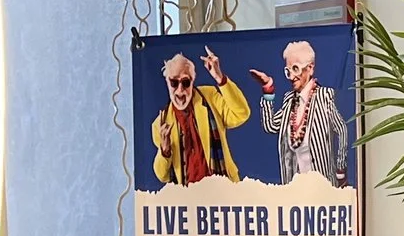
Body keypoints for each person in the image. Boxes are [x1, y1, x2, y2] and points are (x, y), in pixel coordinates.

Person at [247, 38, 349, 185]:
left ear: (310, 68)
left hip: (322, 185)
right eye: (287, 71)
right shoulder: (289, 100)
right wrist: (268, 88)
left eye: (295, 69)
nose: (291, 76)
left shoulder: (324, 96)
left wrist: (341, 168)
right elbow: (271, 126)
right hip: (294, 186)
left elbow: (342, 129)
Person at [149, 47, 250, 185]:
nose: (180, 90)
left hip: (222, 189)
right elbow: (163, 176)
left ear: (192, 81)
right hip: (189, 196)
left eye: (185, 83)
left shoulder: (209, 97)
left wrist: (220, 78)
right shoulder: (160, 124)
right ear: (167, 82)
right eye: (174, 83)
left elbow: (241, 113)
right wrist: (165, 151)